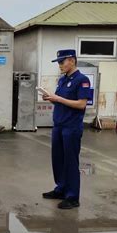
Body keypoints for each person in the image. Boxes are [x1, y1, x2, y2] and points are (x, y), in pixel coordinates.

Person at [41, 49, 92, 210]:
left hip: (71, 127)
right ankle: (61, 189)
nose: (60, 66)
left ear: (72, 60)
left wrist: (58, 98)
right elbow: (60, 102)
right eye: (58, 63)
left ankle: (72, 196)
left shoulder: (82, 80)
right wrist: (51, 98)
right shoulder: (63, 80)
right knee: (58, 160)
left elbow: (81, 104)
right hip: (59, 125)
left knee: (70, 161)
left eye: (62, 62)